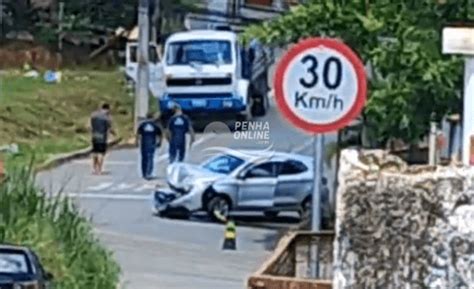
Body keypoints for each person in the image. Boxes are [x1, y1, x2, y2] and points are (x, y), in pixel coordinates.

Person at [90, 103, 115, 175]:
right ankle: (99, 170)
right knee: (101, 153)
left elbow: (90, 125)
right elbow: (110, 128)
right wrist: (113, 133)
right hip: (102, 137)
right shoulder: (107, 118)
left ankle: (94, 169)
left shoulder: (93, 115)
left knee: (95, 152)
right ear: (107, 109)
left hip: (94, 136)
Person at [136, 112, 163, 180]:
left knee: (144, 158)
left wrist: (136, 142)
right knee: (150, 158)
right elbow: (160, 134)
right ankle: (149, 173)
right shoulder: (155, 125)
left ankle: (144, 173)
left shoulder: (143, 125)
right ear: (152, 117)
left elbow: (138, 134)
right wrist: (159, 142)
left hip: (144, 143)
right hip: (152, 143)